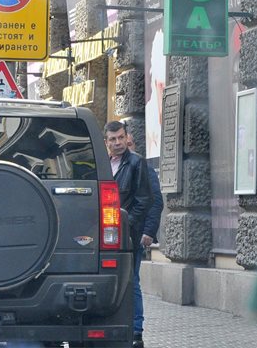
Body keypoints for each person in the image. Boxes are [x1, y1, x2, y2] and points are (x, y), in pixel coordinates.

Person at [104, 121, 153, 348]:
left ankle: (136, 331)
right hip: (106, 236)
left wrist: (125, 225)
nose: (118, 143)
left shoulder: (136, 163)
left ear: (127, 138)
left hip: (128, 235)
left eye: (121, 137)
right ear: (106, 142)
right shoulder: (103, 164)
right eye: (113, 139)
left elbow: (144, 201)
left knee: (131, 281)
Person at [127, 134, 164, 348]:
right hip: (115, 234)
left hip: (136, 234)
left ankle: (136, 330)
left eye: (128, 142)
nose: (124, 146)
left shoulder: (142, 166)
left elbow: (155, 201)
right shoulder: (113, 166)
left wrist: (149, 231)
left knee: (132, 281)